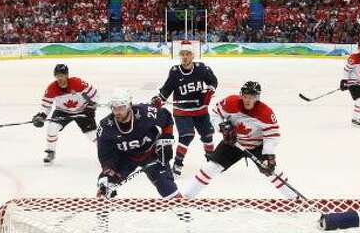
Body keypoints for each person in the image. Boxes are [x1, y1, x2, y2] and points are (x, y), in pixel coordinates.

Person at [181, 81, 296, 199]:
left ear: (257, 98)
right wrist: (222, 127)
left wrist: (269, 156)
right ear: (241, 95)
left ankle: (294, 199)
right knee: (211, 168)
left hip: (257, 146)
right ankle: (187, 197)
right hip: (233, 143)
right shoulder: (231, 102)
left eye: (251, 97)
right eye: (245, 96)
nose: (247, 100)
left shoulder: (265, 113)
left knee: (272, 172)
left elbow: (271, 136)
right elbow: (215, 114)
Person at [95, 90, 180, 199]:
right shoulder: (105, 127)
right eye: (114, 108)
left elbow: (166, 118)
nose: (117, 112)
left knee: (170, 192)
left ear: (129, 106)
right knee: (105, 190)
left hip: (152, 154)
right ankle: (102, 214)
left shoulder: (145, 112)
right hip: (126, 158)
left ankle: (184, 215)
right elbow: (106, 156)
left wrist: (166, 143)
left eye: (121, 107)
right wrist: (107, 175)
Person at [152, 40, 218, 175]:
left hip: (200, 110)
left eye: (188, 54)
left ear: (193, 56)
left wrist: (210, 91)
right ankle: (177, 163)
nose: (185, 57)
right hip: (182, 111)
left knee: (207, 135)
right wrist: (159, 99)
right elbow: (166, 90)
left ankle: (211, 161)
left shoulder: (202, 69)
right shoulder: (175, 72)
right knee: (187, 136)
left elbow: (213, 81)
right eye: (183, 54)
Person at [31, 63, 97, 164]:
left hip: (82, 110)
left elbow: (95, 95)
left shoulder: (78, 83)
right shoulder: (52, 88)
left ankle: (108, 152)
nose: (60, 78)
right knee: (51, 128)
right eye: (57, 76)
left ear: (67, 75)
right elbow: (46, 105)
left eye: (62, 75)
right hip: (62, 112)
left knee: (93, 135)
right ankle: (51, 152)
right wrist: (41, 115)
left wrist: (90, 107)